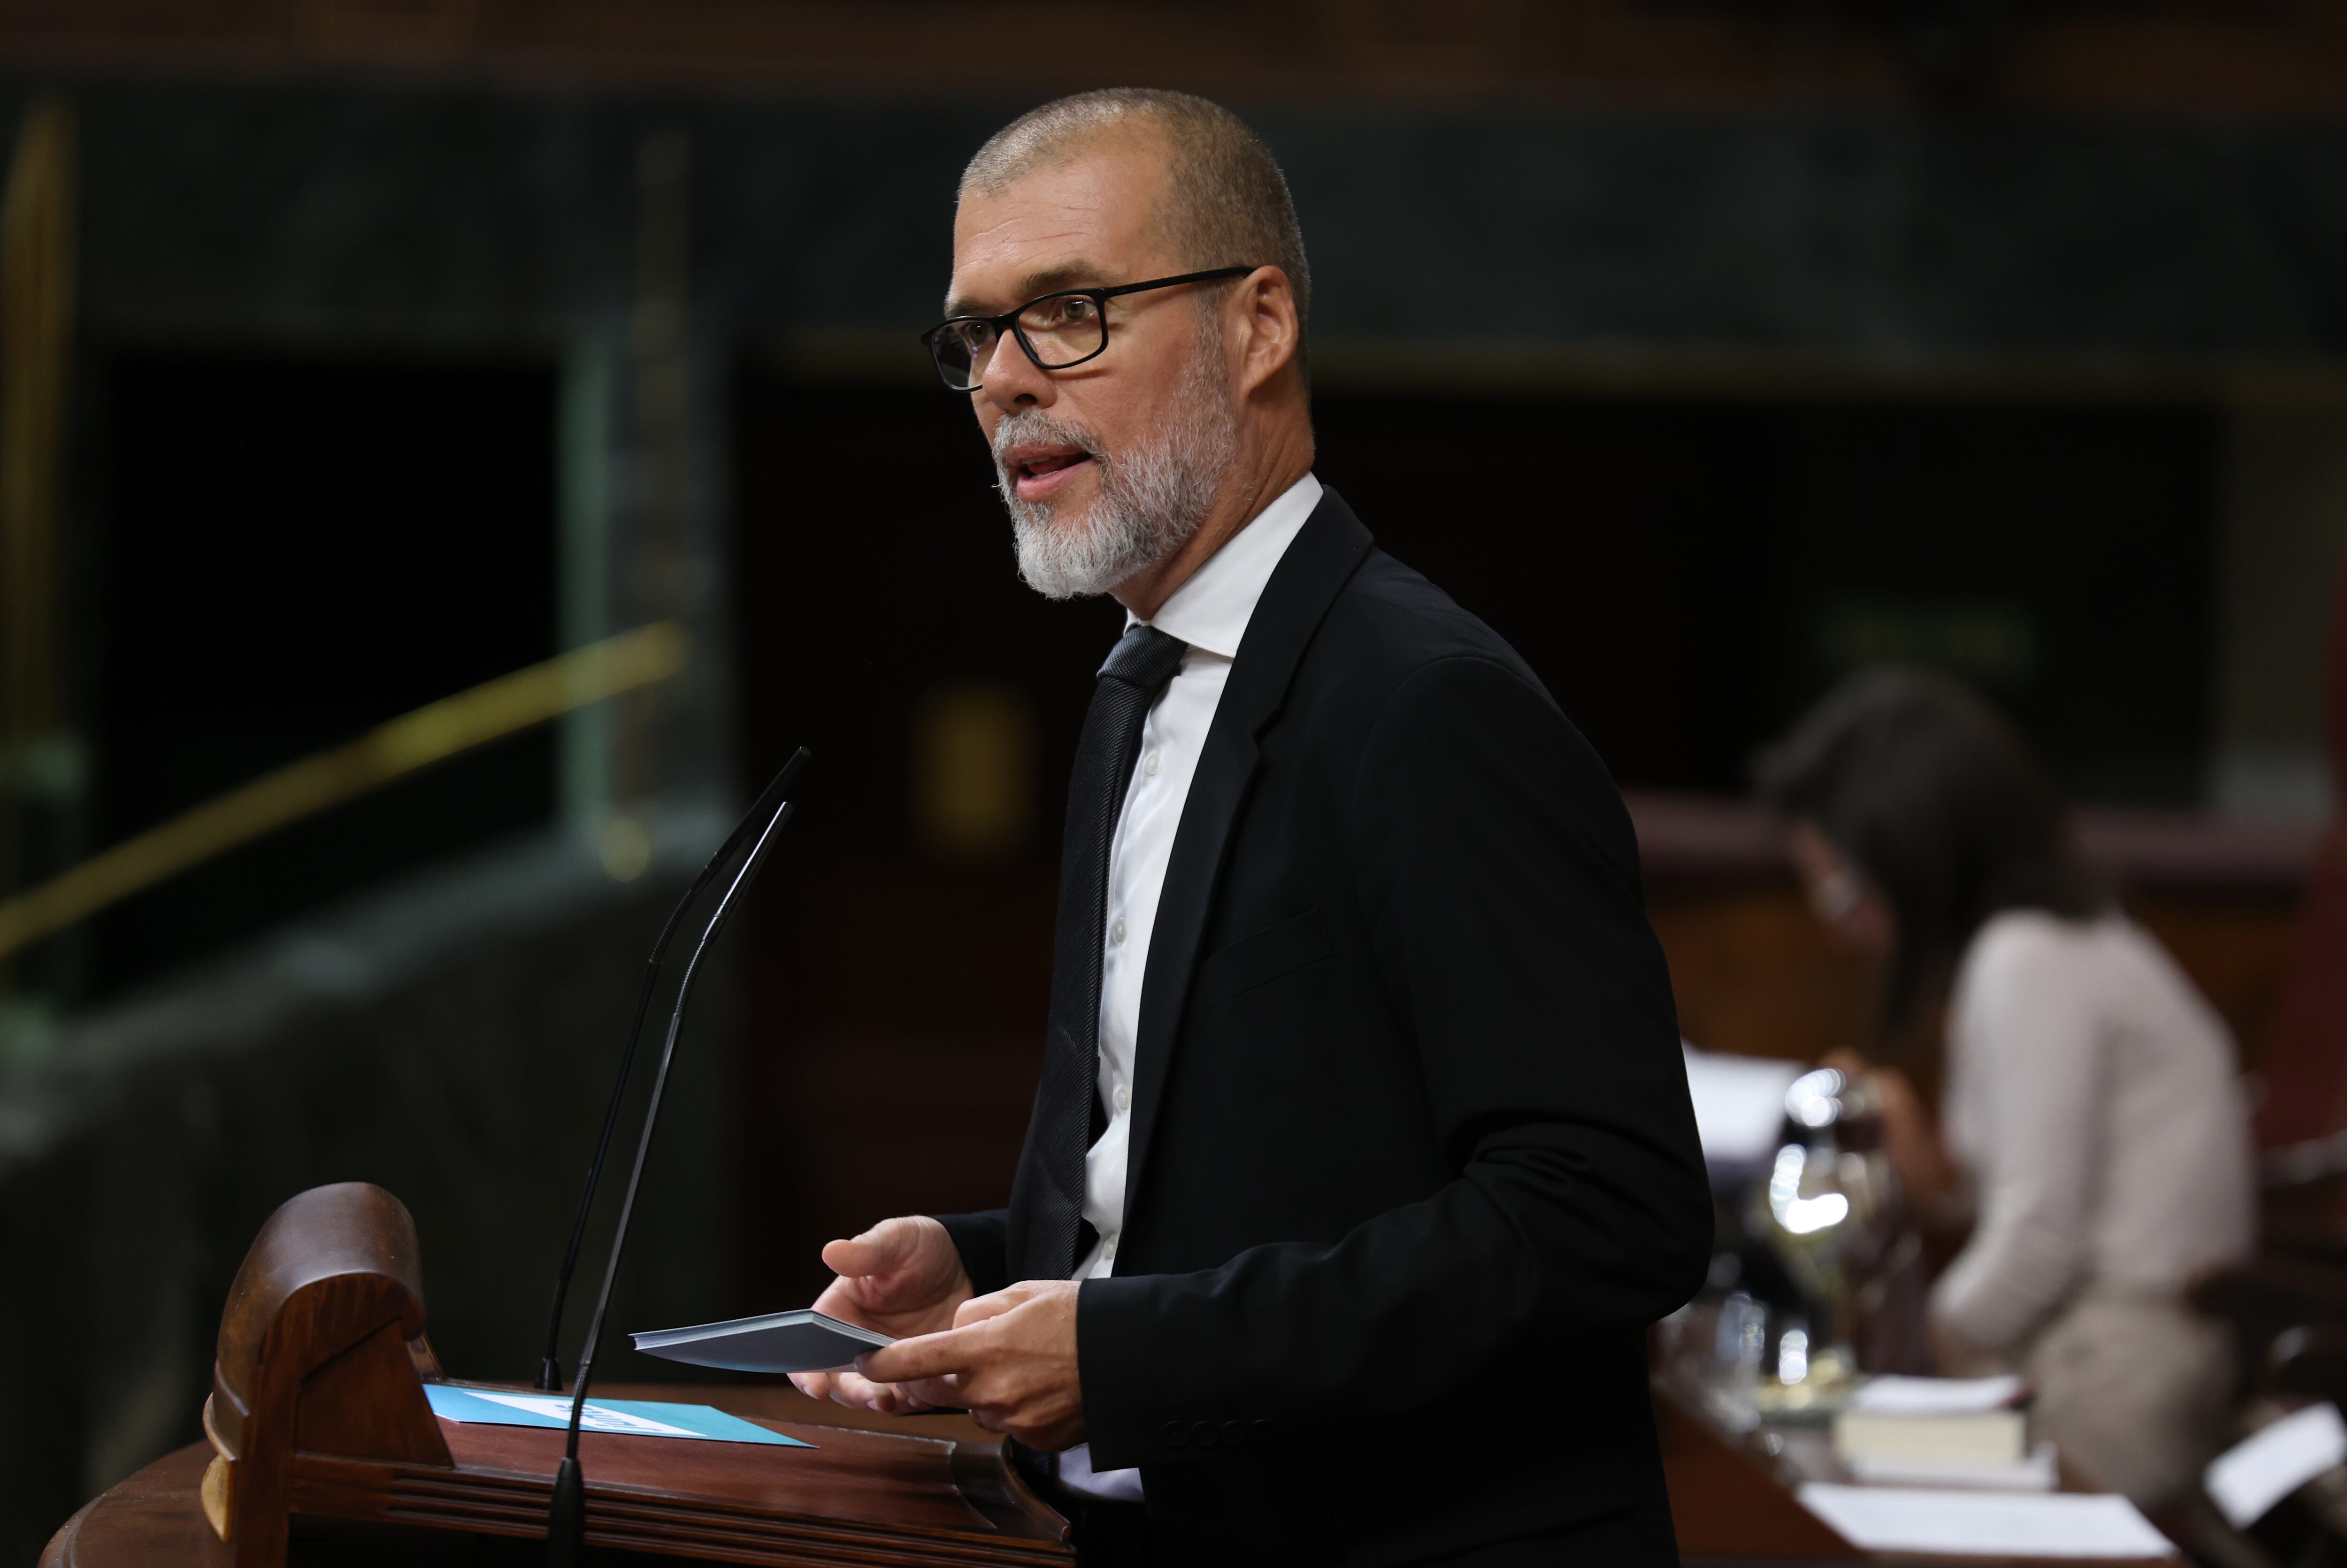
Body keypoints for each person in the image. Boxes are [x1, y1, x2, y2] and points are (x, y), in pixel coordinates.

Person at [784, 88, 1712, 1565]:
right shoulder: (1135, 685)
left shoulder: (1426, 702)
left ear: (1259, 324)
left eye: (1069, 313)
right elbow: (1251, 1159)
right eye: (974, 336)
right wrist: (984, 1260)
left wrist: (1135, 1350)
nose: (1006, 383)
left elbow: (1610, 1209)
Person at [1756, 668, 2255, 1511]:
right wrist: (1927, 1174)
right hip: (2090, 1354)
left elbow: (2036, 1245)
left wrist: (1896, 1353)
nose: (1837, 927)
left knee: (1807, 1452)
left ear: (1918, 848)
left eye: (1841, 887)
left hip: (2114, 1385)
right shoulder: (2050, 944)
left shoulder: (2028, 956)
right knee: (1801, 1437)